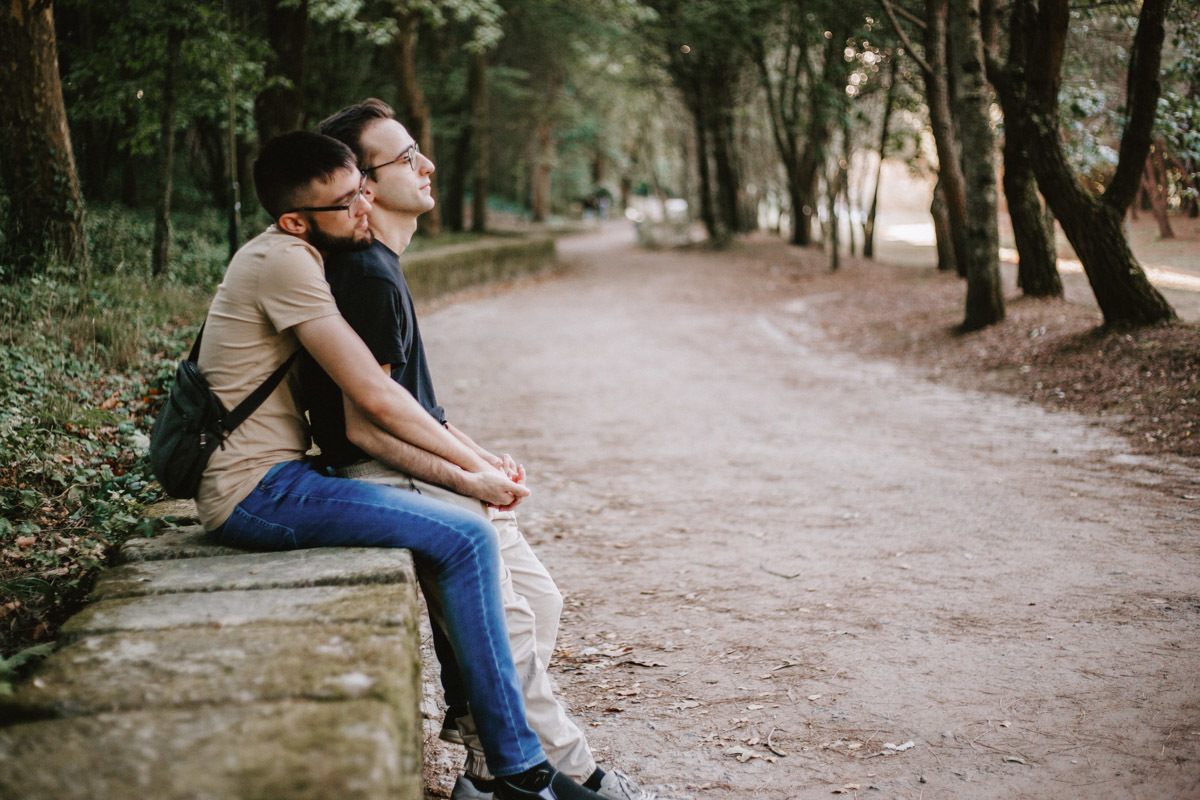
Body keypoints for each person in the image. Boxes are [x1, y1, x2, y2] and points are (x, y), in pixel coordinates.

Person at [193, 129, 603, 800]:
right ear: (296, 220)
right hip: (257, 493)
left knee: (470, 541)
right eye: (345, 202)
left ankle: (502, 767)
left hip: (278, 478)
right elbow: (375, 396)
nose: (364, 207)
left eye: (362, 190)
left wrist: (474, 464)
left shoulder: (296, 255)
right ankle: (520, 772)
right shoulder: (288, 264)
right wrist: (470, 476)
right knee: (466, 537)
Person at [305, 100, 662, 800]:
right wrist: (466, 477)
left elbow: (415, 406)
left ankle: (480, 761)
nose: (428, 165)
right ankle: (578, 775)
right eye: (408, 157)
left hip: (426, 465)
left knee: (540, 602)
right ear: (364, 186)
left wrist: (480, 457)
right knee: (511, 629)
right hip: (394, 476)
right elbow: (365, 427)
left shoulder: (382, 266)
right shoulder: (367, 277)